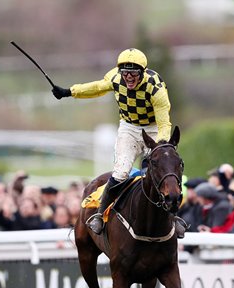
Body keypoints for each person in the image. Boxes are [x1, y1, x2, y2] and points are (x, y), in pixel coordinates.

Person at [51, 48, 187, 237]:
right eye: (125, 73)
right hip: (129, 128)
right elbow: (97, 88)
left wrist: (160, 145)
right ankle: (100, 215)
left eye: (133, 73)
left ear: (142, 72)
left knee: (161, 173)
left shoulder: (155, 88)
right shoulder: (115, 78)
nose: (129, 77)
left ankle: (173, 218)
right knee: (121, 172)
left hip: (154, 128)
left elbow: (164, 123)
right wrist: (68, 92)